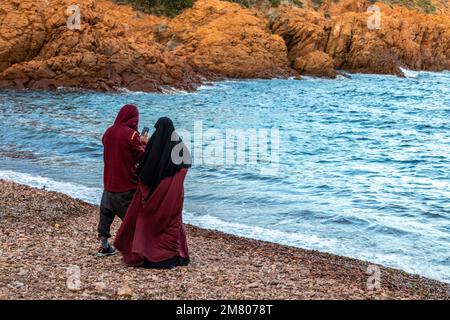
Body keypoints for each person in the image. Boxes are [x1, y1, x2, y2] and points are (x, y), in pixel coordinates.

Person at [114, 117, 191, 269]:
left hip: (153, 196)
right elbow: (184, 164)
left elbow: (144, 171)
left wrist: (144, 143)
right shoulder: (179, 147)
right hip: (172, 196)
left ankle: (147, 254)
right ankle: (173, 256)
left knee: (148, 223)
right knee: (172, 224)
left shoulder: (153, 146)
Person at [97, 104, 148, 257]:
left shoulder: (108, 131)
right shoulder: (132, 135)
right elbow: (141, 157)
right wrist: (144, 144)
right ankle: (136, 250)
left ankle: (104, 246)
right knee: (134, 220)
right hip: (126, 184)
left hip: (109, 182)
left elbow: (109, 145)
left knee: (106, 215)